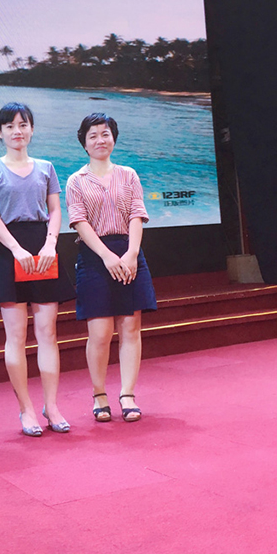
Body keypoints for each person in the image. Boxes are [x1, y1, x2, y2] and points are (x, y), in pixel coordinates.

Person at [0, 102, 75, 436]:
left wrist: (50, 244)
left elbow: (55, 210)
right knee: (16, 337)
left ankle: (52, 406)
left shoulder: (46, 167)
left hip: (43, 250)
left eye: (23, 125)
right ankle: (26, 410)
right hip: (10, 251)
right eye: (10, 126)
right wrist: (16, 249)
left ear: (32, 129)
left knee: (48, 333)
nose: (17, 131)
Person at [65, 113, 157, 423]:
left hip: (129, 253)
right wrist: (106, 256)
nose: (100, 140)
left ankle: (128, 394)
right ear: (84, 143)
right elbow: (79, 222)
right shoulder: (76, 180)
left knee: (130, 327)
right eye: (93, 135)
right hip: (95, 257)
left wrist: (132, 254)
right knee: (100, 332)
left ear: (113, 138)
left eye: (105, 134)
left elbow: (136, 214)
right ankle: (99, 394)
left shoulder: (128, 175)